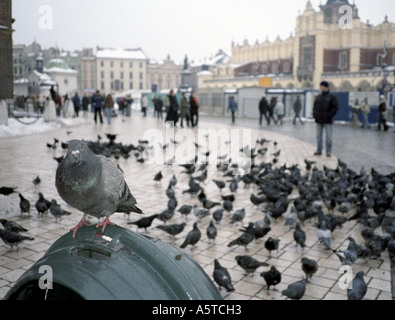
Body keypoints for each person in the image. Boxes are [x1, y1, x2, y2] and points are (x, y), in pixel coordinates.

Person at [313, 81, 339, 157]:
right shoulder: (318, 97)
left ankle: (328, 151)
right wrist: (315, 115)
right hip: (319, 120)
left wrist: (329, 115)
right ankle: (319, 150)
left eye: (322, 86)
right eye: (320, 86)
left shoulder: (332, 96)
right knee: (318, 136)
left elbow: (335, 107)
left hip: (328, 120)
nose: (320, 88)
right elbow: (315, 107)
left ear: (326, 87)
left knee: (329, 137)